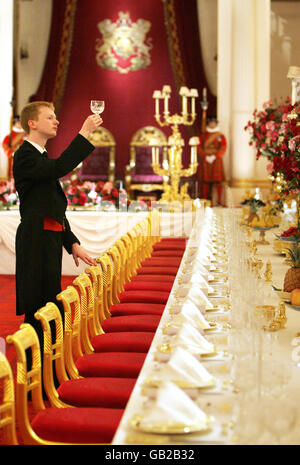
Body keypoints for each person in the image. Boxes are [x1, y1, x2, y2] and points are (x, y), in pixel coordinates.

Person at [13, 101, 102, 374]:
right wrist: (84, 132)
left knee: (49, 303)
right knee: (37, 307)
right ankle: (32, 375)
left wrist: (72, 243)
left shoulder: (39, 155)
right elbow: (59, 168)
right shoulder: (25, 155)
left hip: (48, 237)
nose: (56, 121)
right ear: (32, 123)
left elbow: (52, 208)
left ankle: (47, 371)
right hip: (35, 238)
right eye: (50, 117)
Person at [197, 116, 227, 205]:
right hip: (206, 160)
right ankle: (205, 200)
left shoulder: (220, 136)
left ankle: (218, 201)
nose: (212, 124)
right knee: (205, 181)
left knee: (218, 181)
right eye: (210, 123)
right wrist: (204, 156)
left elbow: (224, 147)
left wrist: (216, 156)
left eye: (214, 123)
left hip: (216, 160)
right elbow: (198, 147)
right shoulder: (203, 136)